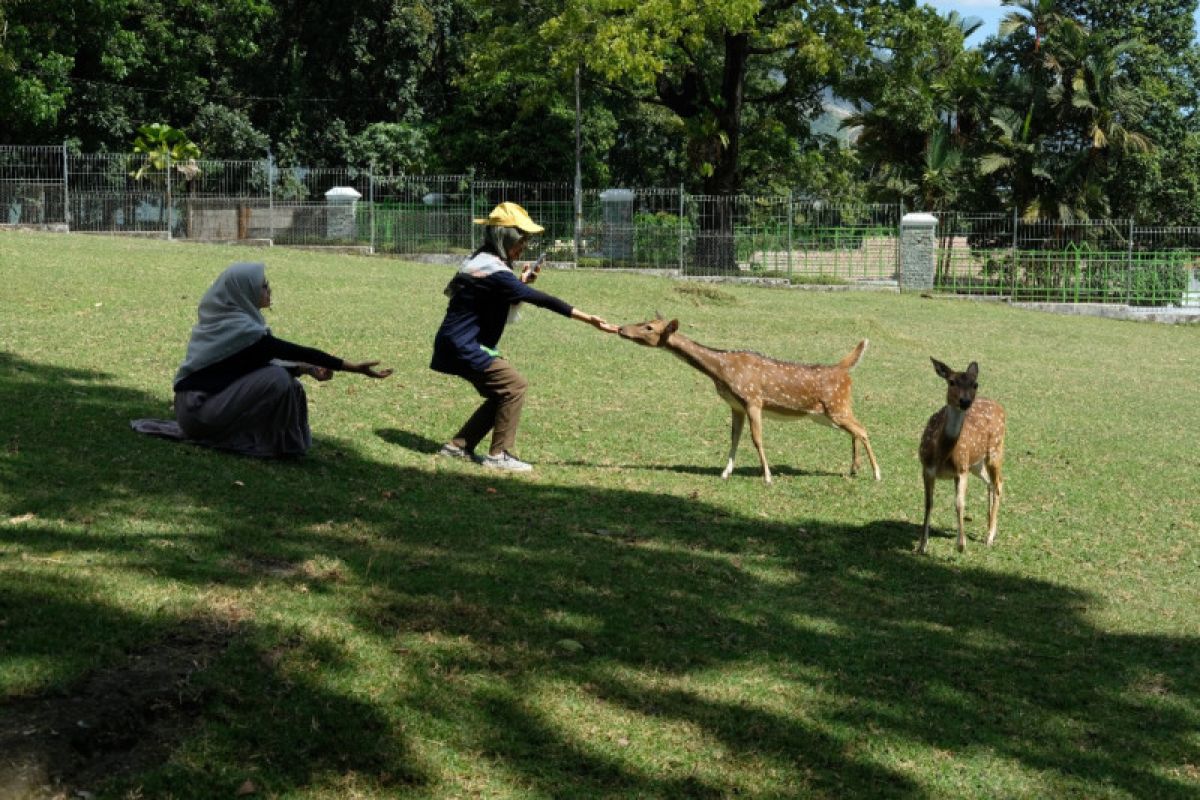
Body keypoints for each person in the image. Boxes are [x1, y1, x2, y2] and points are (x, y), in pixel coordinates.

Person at [431, 201, 617, 472]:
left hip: (453, 343)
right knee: (514, 386)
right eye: (522, 240)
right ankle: (499, 455)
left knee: (501, 394)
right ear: (505, 238)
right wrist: (589, 319)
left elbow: (497, 294)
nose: (524, 247)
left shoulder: (480, 260)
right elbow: (542, 300)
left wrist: (520, 283)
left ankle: (459, 446)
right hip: (464, 346)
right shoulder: (496, 271)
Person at [141, 261, 392, 457]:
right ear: (243, 291)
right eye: (263, 286)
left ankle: (283, 445)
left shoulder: (233, 323)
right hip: (197, 412)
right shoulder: (240, 330)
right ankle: (274, 445)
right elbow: (288, 352)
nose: (269, 290)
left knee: (289, 383)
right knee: (278, 380)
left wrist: (306, 370)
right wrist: (353, 367)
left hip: (200, 409)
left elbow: (253, 363)